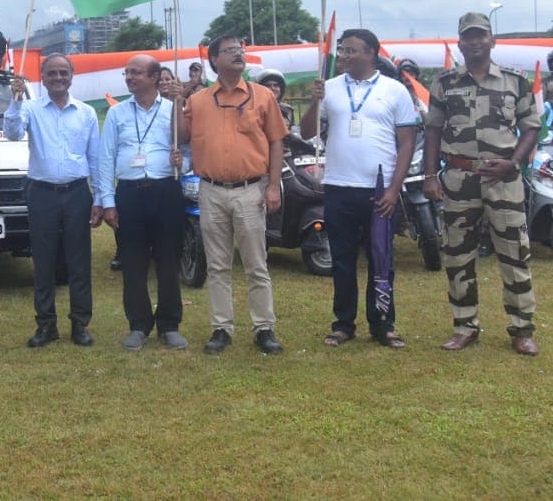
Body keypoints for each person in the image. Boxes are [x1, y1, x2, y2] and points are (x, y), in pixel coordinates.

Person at [423, 13, 541, 357]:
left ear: (492, 40)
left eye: (480, 36)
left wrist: (514, 162)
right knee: (458, 255)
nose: (474, 42)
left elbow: (531, 126)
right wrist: (431, 176)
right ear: (460, 43)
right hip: (459, 179)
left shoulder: (514, 81)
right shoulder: (444, 83)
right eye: (468, 37)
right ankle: (464, 326)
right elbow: (432, 129)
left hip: (503, 178)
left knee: (515, 253)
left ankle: (522, 329)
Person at [300, 28, 419, 350]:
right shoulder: (330, 89)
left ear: (371, 53)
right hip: (339, 186)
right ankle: (343, 324)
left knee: (382, 258)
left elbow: (406, 143)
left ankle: (383, 325)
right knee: (342, 259)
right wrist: (314, 103)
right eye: (342, 50)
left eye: (351, 51)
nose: (344, 56)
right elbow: (308, 132)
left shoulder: (394, 91)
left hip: (379, 190)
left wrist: (395, 189)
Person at [178, 36, 288, 355]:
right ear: (214, 60)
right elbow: (182, 137)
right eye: (230, 51)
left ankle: (264, 327)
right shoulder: (198, 101)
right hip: (210, 190)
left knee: (256, 262)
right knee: (217, 264)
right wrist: (176, 100)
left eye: (240, 49)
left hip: (250, 189)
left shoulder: (263, 96)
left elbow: (277, 142)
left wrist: (272, 185)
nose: (239, 54)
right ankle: (221, 328)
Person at [5, 54, 101, 348]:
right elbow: (12, 133)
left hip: (76, 193)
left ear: (71, 76)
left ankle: (80, 324)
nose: (58, 78)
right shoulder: (30, 109)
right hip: (42, 193)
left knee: (79, 261)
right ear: (42, 78)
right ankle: (46, 324)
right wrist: (16, 100)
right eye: (51, 74)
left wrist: (99, 197)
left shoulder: (85, 113)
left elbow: (94, 157)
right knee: (43, 261)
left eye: (63, 73)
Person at [97, 54, 187, 350]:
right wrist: (108, 201)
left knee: (168, 259)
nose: (129, 77)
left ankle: (169, 324)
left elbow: (190, 150)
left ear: (154, 77)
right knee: (133, 261)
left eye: (136, 73)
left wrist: (181, 162)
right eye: (127, 73)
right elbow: (106, 157)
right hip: (129, 194)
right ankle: (138, 324)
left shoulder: (174, 110)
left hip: (165, 190)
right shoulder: (117, 113)